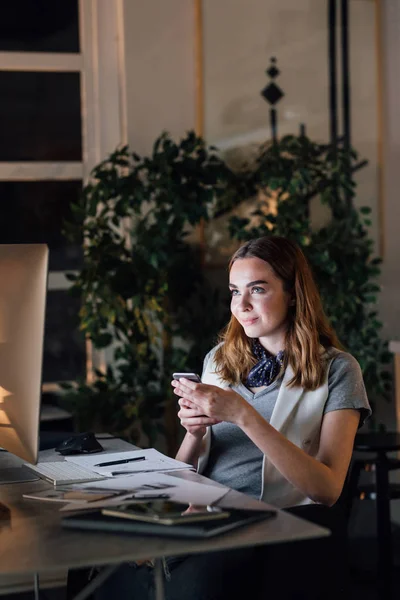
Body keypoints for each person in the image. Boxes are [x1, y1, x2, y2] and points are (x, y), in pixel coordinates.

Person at [94, 235, 371, 600]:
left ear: (293, 294)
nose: (241, 305)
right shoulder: (219, 361)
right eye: (234, 291)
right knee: (97, 552)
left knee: (188, 579)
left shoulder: (337, 369)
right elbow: (187, 467)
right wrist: (194, 432)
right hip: (204, 512)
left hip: (262, 523)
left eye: (257, 289)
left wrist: (243, 415)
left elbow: (328, 489)